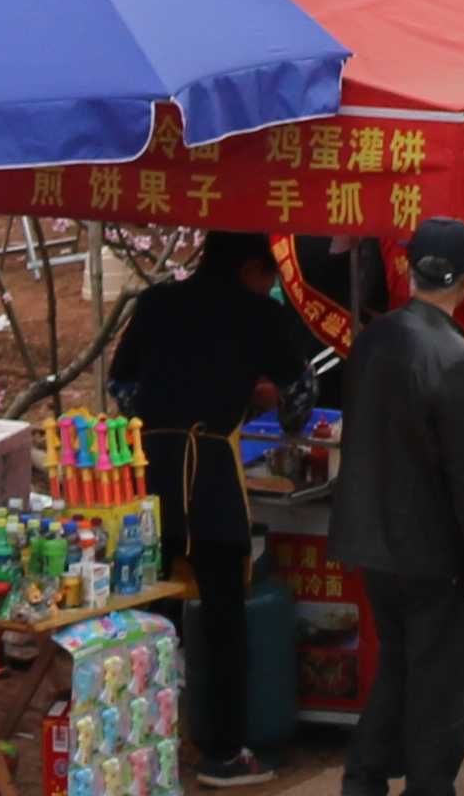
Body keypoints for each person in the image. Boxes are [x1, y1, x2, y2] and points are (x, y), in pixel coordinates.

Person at [107, 231, 318, 785]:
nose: (271, 286)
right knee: (224, 617)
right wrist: (252, 398)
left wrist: (166, 410)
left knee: (151, 613)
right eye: (268, 274)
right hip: (213, 477)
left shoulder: (155, 302)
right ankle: (222, 753)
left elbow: (120, 386)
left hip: (150, 475)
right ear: (250, 267)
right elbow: (299, 400)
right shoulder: (257, 316)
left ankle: (137, 748)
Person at [326, 219, 464, 796]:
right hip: (432, 553)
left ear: (408, 268)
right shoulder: (458, 360)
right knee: (441, 688)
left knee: (401, 668)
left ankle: (363, 779)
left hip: (374, 541)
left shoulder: (374, 338)